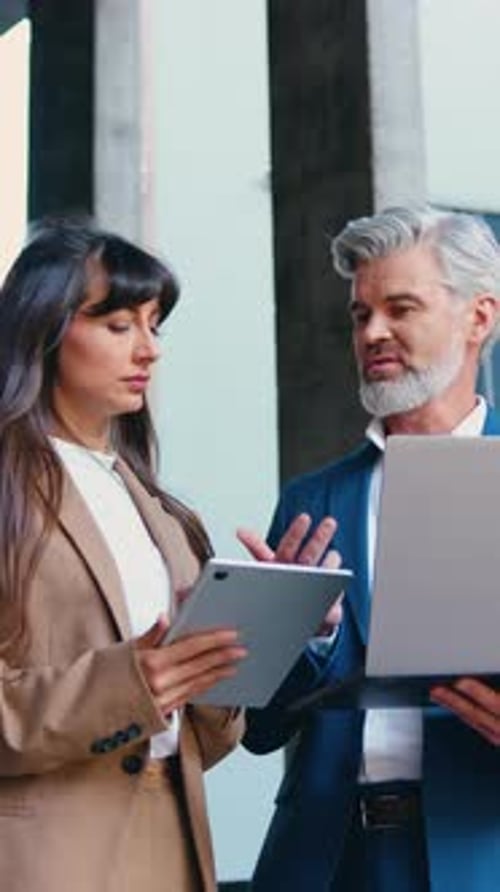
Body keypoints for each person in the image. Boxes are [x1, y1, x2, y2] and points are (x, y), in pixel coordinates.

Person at [240, 206, 500, 892]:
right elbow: (258, 729)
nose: (373, 332)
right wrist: (300, 640)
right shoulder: (310, 501)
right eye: (360, 315)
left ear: (479, 317)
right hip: (324, 862)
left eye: (400, 307)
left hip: (481, 855)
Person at [0, 218, 246, 892]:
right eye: (118, 326)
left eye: (154, 325)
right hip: (44, 858)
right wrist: (127, 687)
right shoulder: (8, 487)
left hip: (177, 844)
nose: (149, 349)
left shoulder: (164, 515)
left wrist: (249, 642)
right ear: (45, 328)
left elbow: (209, 740)